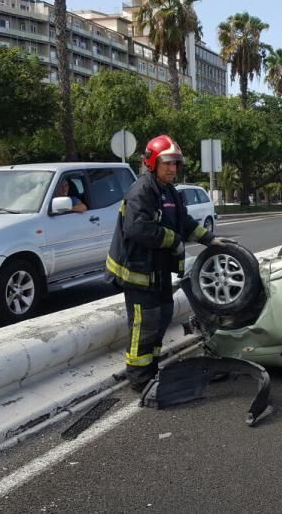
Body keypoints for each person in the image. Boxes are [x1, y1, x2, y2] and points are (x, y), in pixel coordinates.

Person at [104, 134, 234, 392]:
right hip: (139, 275)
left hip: (159, 274)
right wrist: (172, 239)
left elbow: (183, 222)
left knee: (161, 320)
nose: (173, 168)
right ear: (152, 163)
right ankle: (140, 380)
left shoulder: (170, 191)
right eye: (167, 163)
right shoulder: (142, 191)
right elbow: (137, 228)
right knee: (144, 327)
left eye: (176, 163)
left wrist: (210, 240)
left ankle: (151, 371)